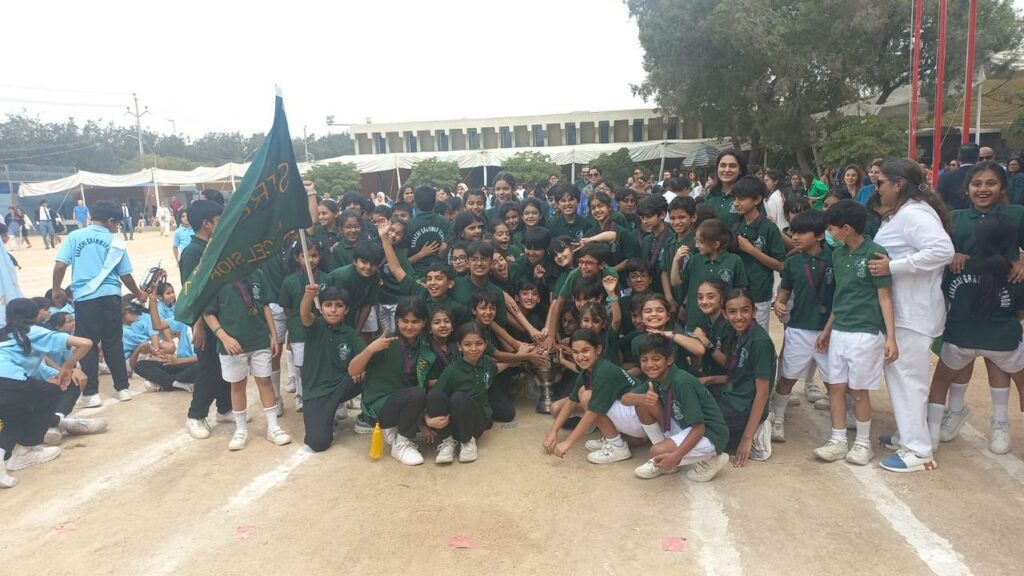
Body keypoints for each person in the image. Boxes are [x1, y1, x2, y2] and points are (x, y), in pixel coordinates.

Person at [870, 160, 954, 472]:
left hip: (913, 312)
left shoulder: (915, 214)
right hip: (903, 311)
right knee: (900, 377)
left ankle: (919, 450)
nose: (877, 188)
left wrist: (892, 266)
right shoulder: (904, 213)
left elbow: (943, 251)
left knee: (909, 380)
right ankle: (908, 436)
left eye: (881, 182)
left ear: (898, 184)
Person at [928, 214, 1024, 455]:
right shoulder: (1016, 272)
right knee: (1007, 370)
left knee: (940, 382)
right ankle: (1000, 426)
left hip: (960, 340)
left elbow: (945, 299)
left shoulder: (957, 265)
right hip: (1003, 343)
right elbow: (1020, 311)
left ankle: (932, 436)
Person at [52, 200, 147, 407]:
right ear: (111, 220)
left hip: (85, 298)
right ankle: (122, 388)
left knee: (88, 344)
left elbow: (60, 266)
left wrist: (57, 289)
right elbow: (125, 275)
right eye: (117, 224)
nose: (117, 227)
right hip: (111, 296)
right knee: (113, 342)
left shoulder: (75, 236)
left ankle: (91, 393)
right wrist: (138, 293)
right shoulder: (116, 243)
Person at [0, 298, 100, 488]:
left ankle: (17, 455)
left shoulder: (4, 335)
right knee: (57, 390)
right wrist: (68, 366)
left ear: (7, 317)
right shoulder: (33, 332)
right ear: (36, 316)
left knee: (15, 418)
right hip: (9, 381)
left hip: (12, 384)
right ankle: (33, 444)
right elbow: (86, 343)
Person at [203, 274, 290, 451]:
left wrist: (273, 335)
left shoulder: (257, 274)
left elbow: (265, 305)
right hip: (232, 344)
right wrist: (224, 338)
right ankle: (241, 429)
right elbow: (208, 313)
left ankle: (273, 426)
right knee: (237, 385)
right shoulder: (218, 278)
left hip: (259, 339)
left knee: (264, 380)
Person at [627, 335, 730, 481]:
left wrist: (675, 457)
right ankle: (664, 460)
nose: (649, 364)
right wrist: (643, 398)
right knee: (643, 404)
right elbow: (626, 399)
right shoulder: (656, 378)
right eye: (644, 360)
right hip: (685, 426)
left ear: (669, 360)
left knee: (656, 450)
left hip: (710, 433)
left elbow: (699, 428)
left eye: (656, 359)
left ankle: (709, 460)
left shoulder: (682, 382)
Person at [770, 210, 834, 442]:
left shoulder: (835, 258)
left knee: (833, 381)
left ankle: (841, 421)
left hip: (829, 330)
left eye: (801, 233)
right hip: (798, 327)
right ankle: (778, 417)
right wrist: (779, 303)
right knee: (787, 376)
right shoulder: (793, 262)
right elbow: (785, 290)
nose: (795, 237)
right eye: (793, 232)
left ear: (819, 235)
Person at [347, 298, 431, 466]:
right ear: (397, 320)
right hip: (380, 406)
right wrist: (370, 350)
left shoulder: (425, 345)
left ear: (424, 323)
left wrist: (423, 421)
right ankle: (401, 444)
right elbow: (353, 371)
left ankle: (397, 430)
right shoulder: (385, 342)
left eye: (415, 321)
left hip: (405, 402)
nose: (409, 326)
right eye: (405, 321)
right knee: (417, 394)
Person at [178, 199, 236, 440]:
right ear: (207, 224)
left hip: (218, 316)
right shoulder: (193, 252)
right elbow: (192, 292)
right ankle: (196, 415)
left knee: (223, 363)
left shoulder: (212, 246)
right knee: (208, 368)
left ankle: (224, 408)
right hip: (203, 320)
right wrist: (198, 326)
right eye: (218, 220)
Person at [699, 289, 775, 466]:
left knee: (705, 428)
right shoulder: (737, 333)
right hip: (732, 393)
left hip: (744, 404)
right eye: (732, 312)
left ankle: (754, 433)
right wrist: (710, 380)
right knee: (693, 403)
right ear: (725, 314)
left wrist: (746, 438)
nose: (739, 317)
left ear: (754, 311)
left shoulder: (760, 342)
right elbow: (739, 375)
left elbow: (762, 393)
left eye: (745, 310)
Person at [542, 328, 641, 464]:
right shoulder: (588, 370)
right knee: (583, 392)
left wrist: (567, 443)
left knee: (588, 397)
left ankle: (617, 446)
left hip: (638, 418)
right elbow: (571, 402)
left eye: (585, 350)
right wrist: (553, 432)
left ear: (598, 349)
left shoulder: (603, 371)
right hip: (630, 414)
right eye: (575, 352)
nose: (580, 357)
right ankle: (613, 438)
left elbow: (592, 412)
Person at [298, 284, 366, 452]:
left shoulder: (350, 333)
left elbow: (364, 353)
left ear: (346, 310)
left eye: (339, 305)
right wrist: (308, 296)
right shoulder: (315, 326)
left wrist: (363, 367)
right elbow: (305, 314)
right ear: (320, 308)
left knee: (374, 369)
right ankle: (328, 413)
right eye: (328, 305)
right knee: (318, 442)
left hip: (341, 385)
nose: (333, 310)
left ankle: (368, 416)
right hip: (317, 391)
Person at [427, 322, 507, 464]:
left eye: (479, 344)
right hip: (455, 420)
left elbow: (498, 367)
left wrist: (520, 358)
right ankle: (448, 442)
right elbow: (435, 398)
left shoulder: (488, 363)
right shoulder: (452, 371)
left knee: (459, 398)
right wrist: (426, 420)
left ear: (485, 344)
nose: (474, 349)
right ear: (459, 346)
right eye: (467, 344)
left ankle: (467, 442)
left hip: (478, 421)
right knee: (436, 395)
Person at [731, 176, 786, 330]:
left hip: (760, 294)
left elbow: (781, 265)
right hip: (737, 293)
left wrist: (751, 250)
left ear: (757, 200)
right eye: (735, 199)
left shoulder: (769, 228)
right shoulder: (735, 226)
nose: (736, 203)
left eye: (742, 199)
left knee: (757, 334)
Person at [702, 149, 747, 227]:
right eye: (723, 165)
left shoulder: (747, 197)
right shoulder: (710, 195)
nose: (727, 170)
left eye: (732, 166)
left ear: (740, 170)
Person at [937, 143, 979, 210]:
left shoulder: (945, 178)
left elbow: (940, 203)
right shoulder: (984, 176)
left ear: (958, 157)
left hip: (952, 215)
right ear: (978, 157)